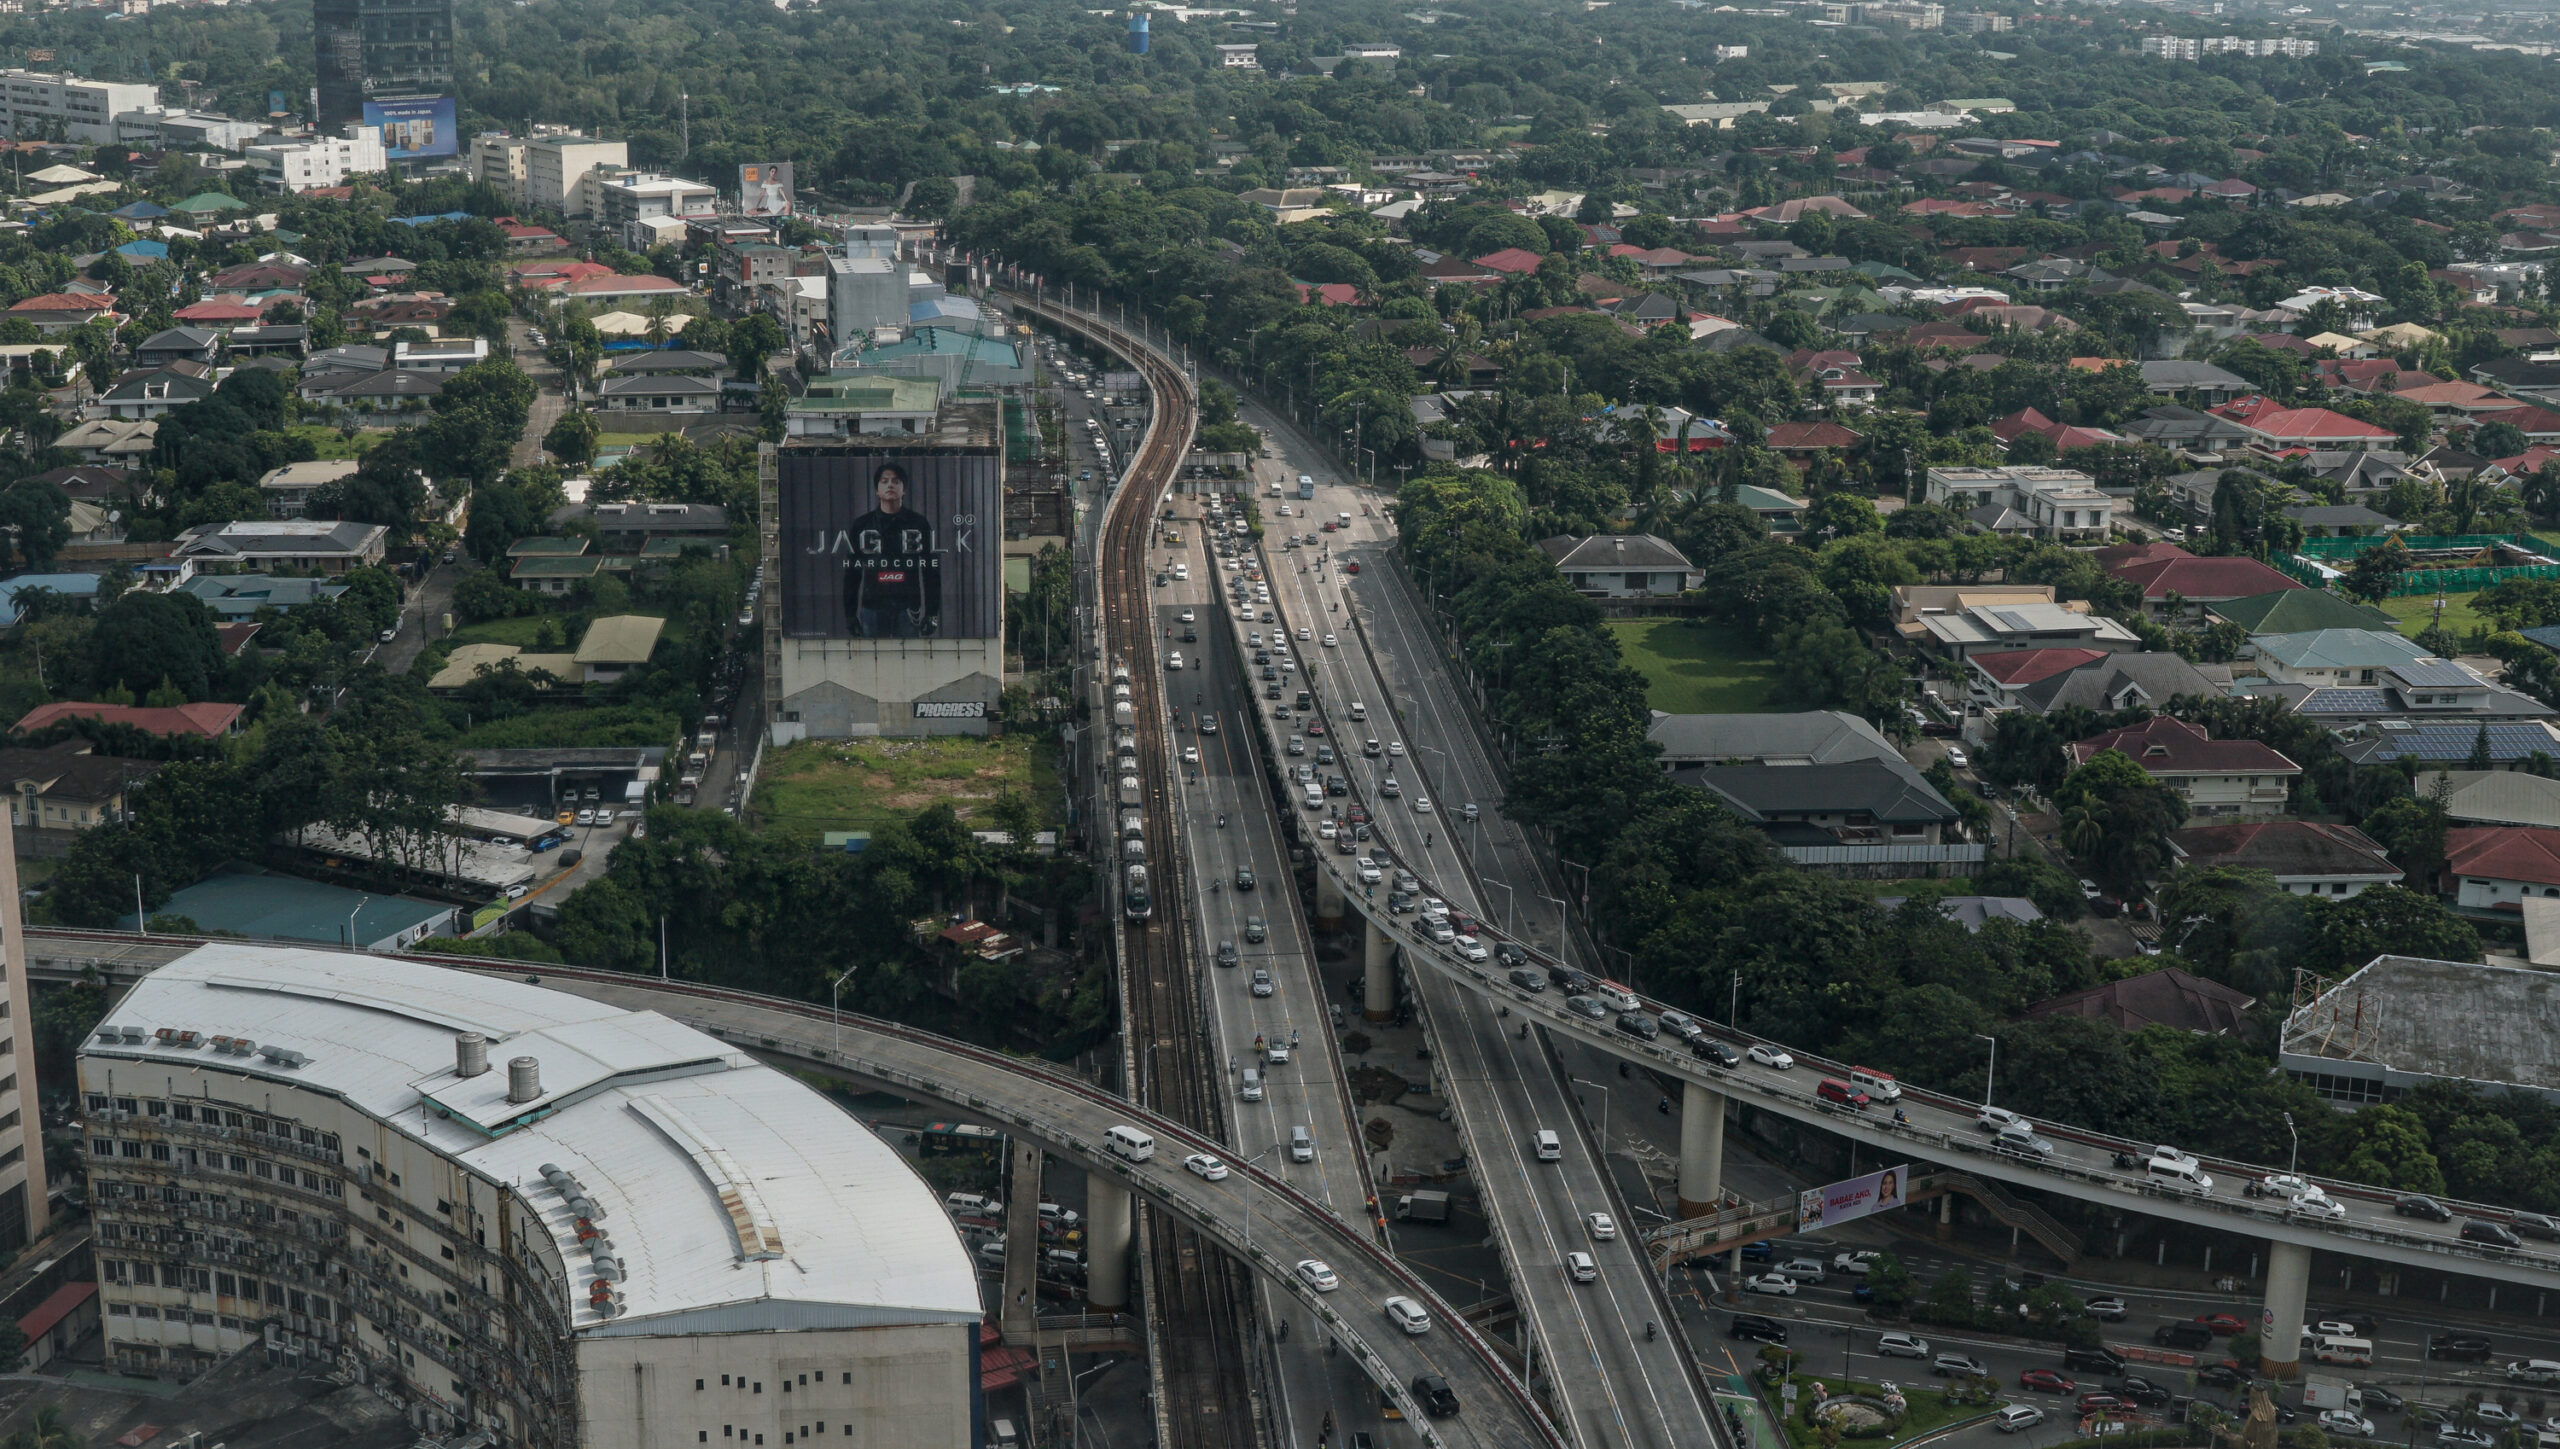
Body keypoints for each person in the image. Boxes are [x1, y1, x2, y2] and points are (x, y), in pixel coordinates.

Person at [841, 462, 943, 638]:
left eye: (896, 481)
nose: (890, 485)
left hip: (908, 608)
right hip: (872, 608)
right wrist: (850, 615)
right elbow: (852, 573)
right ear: (877, 490)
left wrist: (932, 613)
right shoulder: (862, 525)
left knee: (908, 659)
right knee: (872, 660)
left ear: (904, 489)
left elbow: (930, 571)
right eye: (884, 481)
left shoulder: (918, 523)